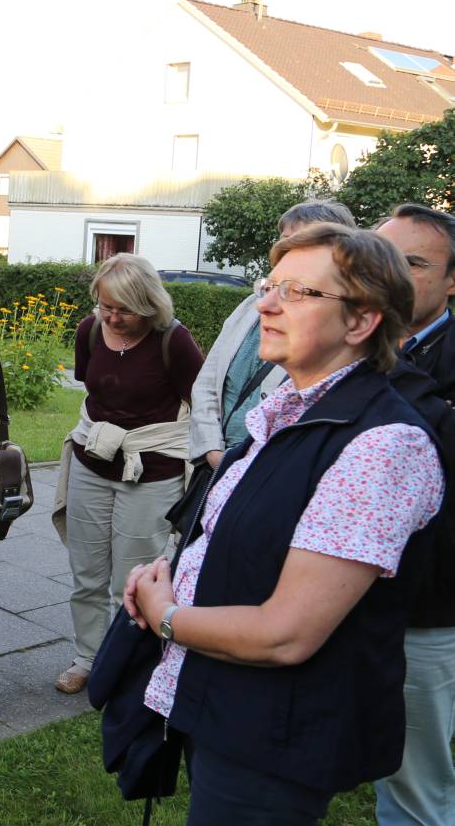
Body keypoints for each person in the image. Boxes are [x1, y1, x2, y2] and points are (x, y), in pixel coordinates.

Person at [126, 224, 443, 825]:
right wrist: (172, 572)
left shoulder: (382, 445)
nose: (265, 304)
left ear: (361, 322)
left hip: (275, 732)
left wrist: (167, 615)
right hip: (224, 703)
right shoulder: (288, 411)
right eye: (270, 286)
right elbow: (248, 537)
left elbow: (285, 633)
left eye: (297, 293)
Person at [53, 252, 203, 695]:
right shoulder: (91, 329)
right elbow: (91, 385)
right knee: (87, 573)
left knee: (133, 579)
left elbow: (201, 401)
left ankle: (129, 665)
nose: (113, 317)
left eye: (124, 309)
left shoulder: (172, 340)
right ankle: (87, 658)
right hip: (92, 461)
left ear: (149, 305)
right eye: (105, 306)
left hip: (151, 471)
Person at [374, 203, 455, 826]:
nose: (394, 275)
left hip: (428, 608)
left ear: (452, 281)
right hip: (348, 596)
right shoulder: (353, 341)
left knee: (417, 782)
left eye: (416, 263)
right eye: (383, 257)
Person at [187, 199, 355, 473]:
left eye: (299, 242)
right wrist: (213, 452)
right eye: (283, 241)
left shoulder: (333, 330)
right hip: (215, 467)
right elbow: (207, 383)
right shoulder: (249, 306)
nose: (285, 251)